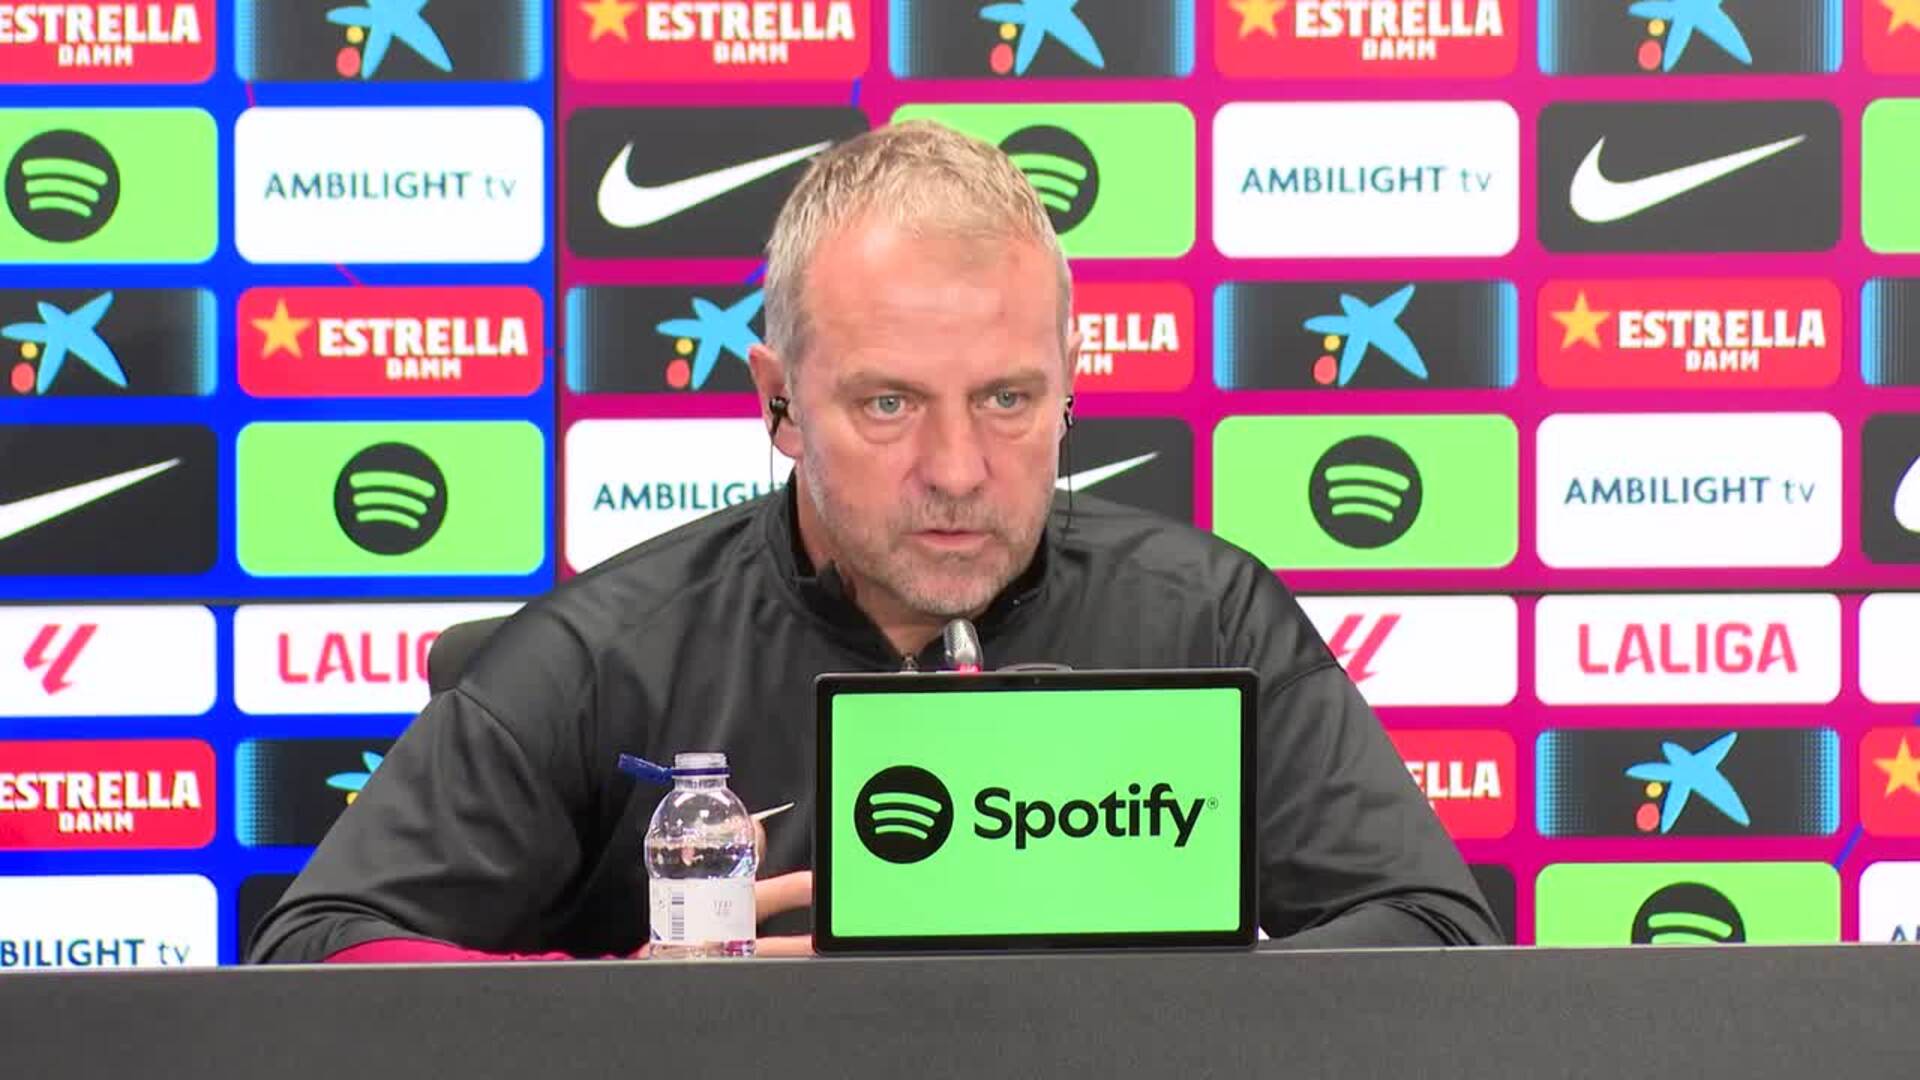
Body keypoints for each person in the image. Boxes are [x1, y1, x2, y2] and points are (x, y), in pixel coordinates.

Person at [248, 120, 1499, 964]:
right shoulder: (611, 653)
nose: (957, 470)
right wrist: (628, 1011)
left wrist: (1152, 996)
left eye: (1008, 399)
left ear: (1071, 386)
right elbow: (319, 950)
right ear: (778, 404)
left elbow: (1439, 936)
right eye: (889, 404)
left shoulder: (1200, 618)